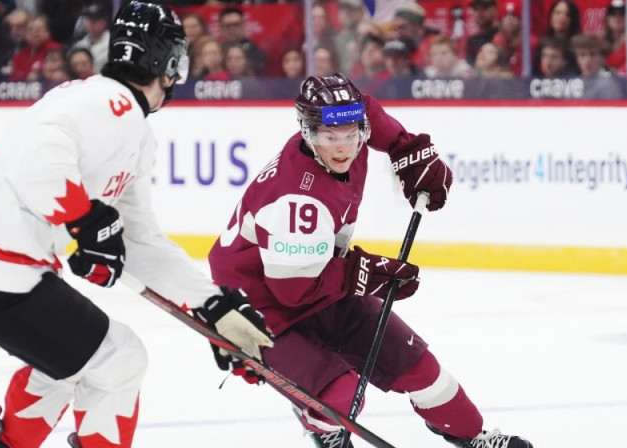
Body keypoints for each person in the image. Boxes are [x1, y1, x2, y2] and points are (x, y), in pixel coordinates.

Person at [0, 2, 273, 448]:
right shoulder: (105, 104)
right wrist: (84, 220)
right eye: (176, 62)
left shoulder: (123, 121)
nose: (177, 77)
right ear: (164, 62)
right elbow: (35, 153)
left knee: (68, 362)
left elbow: (139, 241)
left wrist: (213, 306)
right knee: (119, 360)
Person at [207, 72, 533, 448]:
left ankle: (471, 435)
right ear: (308, 132)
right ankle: (319, 421)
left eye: (351, 133)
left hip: (320, 278)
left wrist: (406, 148)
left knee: (424, 371)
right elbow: (293, 291)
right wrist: (365, 273)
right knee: (341, 399)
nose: (343, 147)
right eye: (330, 137)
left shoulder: (350, 129)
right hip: (262, 305)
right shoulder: (298, 200)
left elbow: (371, 115)